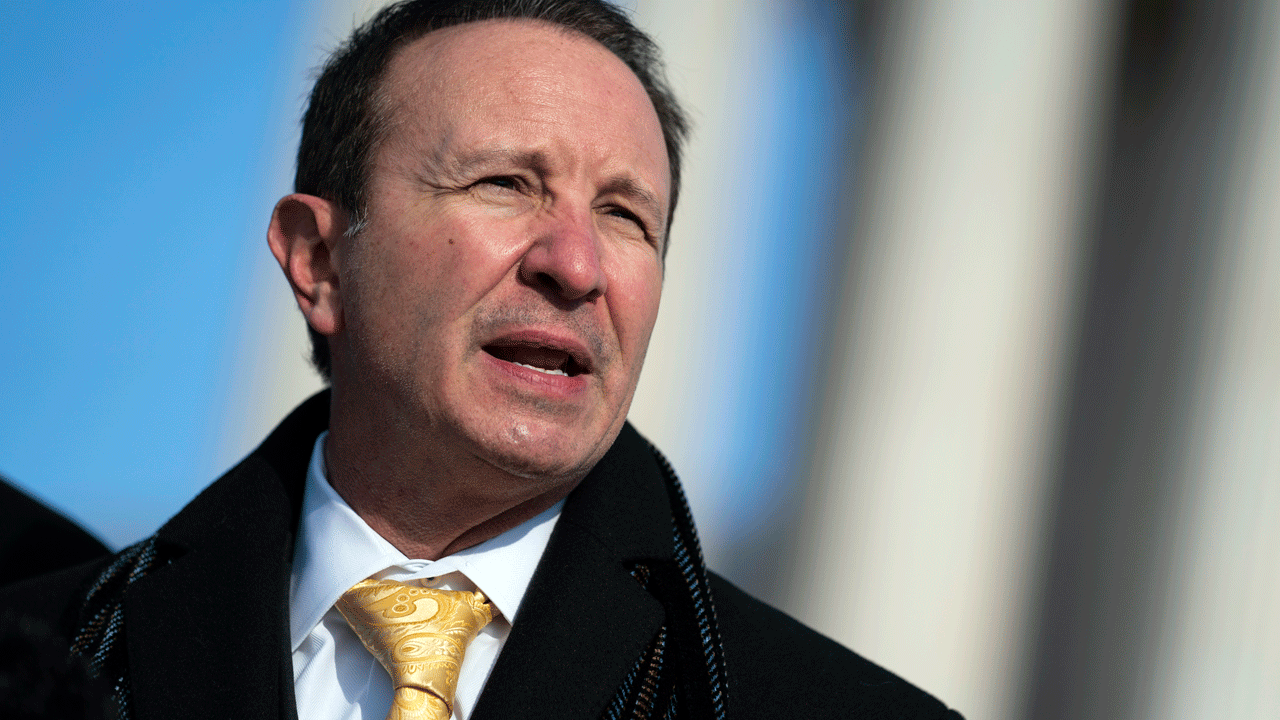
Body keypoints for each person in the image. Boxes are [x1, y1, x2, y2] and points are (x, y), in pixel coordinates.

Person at [0, 2, 962, 718]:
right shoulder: (45, 660)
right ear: (319, 259)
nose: (576, 266)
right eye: (506, 183)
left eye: (626, 216)